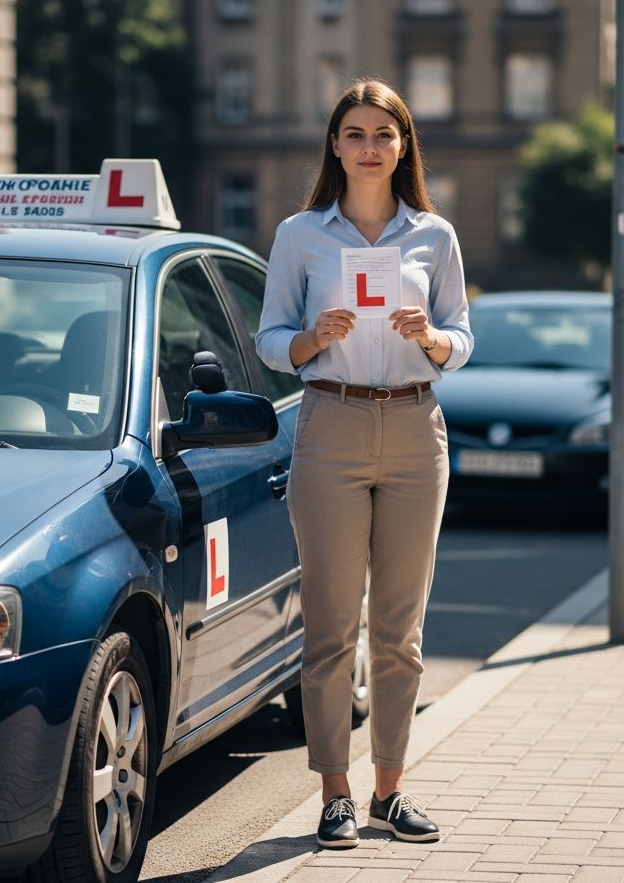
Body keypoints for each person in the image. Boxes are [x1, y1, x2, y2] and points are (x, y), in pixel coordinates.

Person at [255, 79, 473, 849]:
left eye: (384, 133)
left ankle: (389, 791)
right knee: (330, 626)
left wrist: (432, 339)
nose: (370, 147)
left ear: (404, 145)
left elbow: (462, 338)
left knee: (399, 631)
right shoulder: (300, 235)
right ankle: (335, 794)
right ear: (335, 146)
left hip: (415, 427)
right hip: (331, 424)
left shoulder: (434, 236)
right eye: (355, 133)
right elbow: (268, 339)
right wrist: (311, 339)